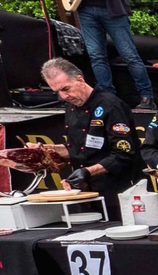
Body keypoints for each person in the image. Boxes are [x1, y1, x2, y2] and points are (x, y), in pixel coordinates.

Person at [41, 57, 144, 199]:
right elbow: (76, 149)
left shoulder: (110, 105)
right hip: (85, 190)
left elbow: (123, 154)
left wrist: (88, 172)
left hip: (119, 189)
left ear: (80, 80)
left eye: (66, 89)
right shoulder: (71, 106)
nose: (63, 96)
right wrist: (44, 150)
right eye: (57, 92)